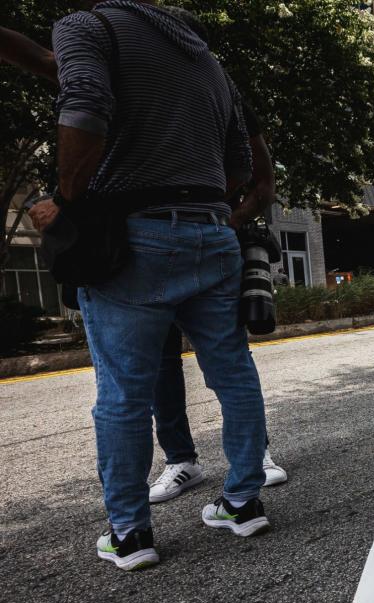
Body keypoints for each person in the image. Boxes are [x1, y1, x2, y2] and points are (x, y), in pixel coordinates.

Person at [2, 10, 289, 505]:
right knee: (233, 372)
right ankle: (244, 501)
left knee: (123, 396)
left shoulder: (87, 27)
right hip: (212, 235)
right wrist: (204, 210)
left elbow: (85, 99)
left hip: (134, 237)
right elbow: (242, 167)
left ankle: (131, 533)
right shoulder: (210, 67)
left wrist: (68, 201)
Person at [147, 6, 287, 504]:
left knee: (228, 358)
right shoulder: (137, 90)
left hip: (211, 246)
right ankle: (181, 461)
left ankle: (254, 456)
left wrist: (224, 224)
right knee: (162, 363)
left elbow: (263, 182)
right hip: (148, 247)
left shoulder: (220, 91)